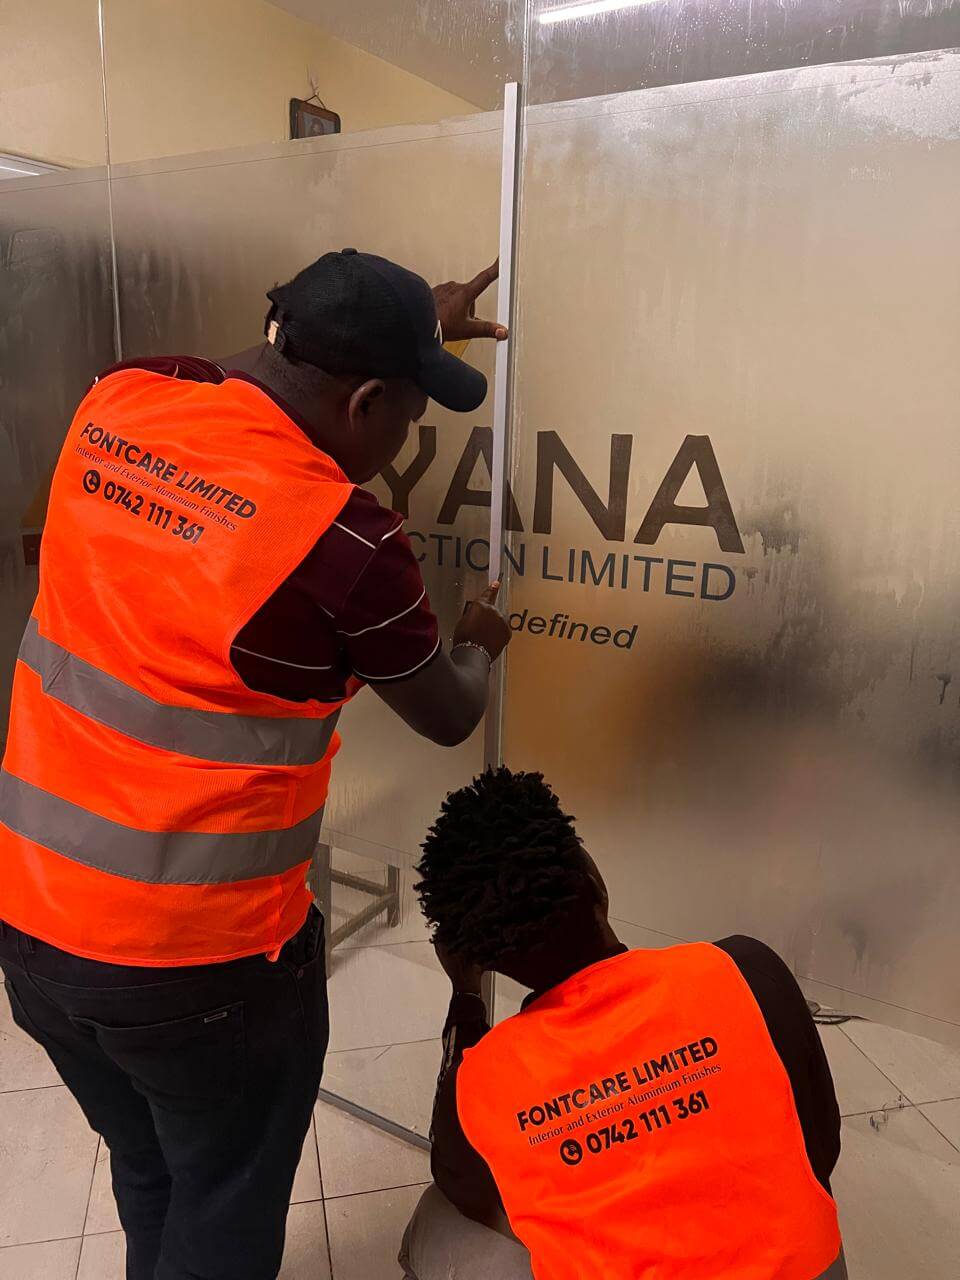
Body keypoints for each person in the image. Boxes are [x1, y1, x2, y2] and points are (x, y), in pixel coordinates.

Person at [0, 249, 512, 1280]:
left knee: (152, 1167)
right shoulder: (342, 539)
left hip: (33, 924)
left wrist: (407, 322)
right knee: (223, 1206)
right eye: (407, 417)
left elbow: (251, 362)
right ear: (365, 400)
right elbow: (450, 716)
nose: (400, 445)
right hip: (200, 970)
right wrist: (479, 644)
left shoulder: (121, 400)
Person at [402, 768, 846, 1280]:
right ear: (594, 881)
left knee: (436, 1217)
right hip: (810, 1270)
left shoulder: (481, 1083)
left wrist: (466, 997)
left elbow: (460, 1185)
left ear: (472, 956)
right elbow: (821, 1148)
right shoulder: (744, 971)